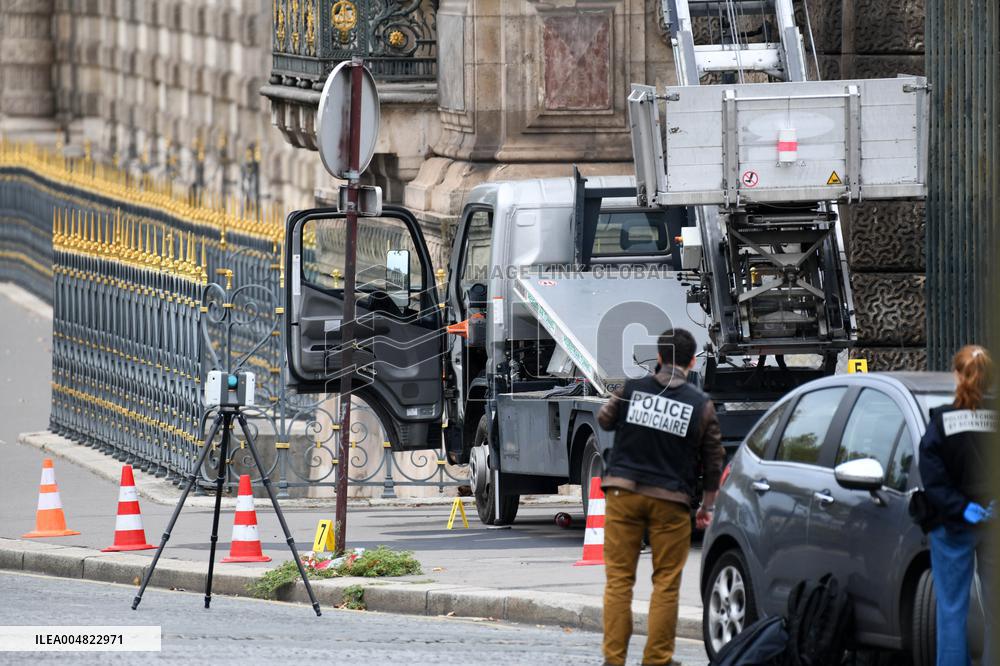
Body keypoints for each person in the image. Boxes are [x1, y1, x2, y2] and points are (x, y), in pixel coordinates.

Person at [597, 328, 724, 666]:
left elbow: (604, 419)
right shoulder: (701, 405)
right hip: (671, 498)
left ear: (658, 357)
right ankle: (657, 660)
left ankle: (614, 659)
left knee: (619, 581)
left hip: (624, 492)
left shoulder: (633, 388)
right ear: (692, 361)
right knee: (666, 582)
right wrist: (707, 506)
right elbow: (714, 461)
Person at [918, 344, 995, 666]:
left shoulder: (941, 424)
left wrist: (961, 507)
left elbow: (932, 479)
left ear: (956, 376)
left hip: (952, 525)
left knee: (951, 611)